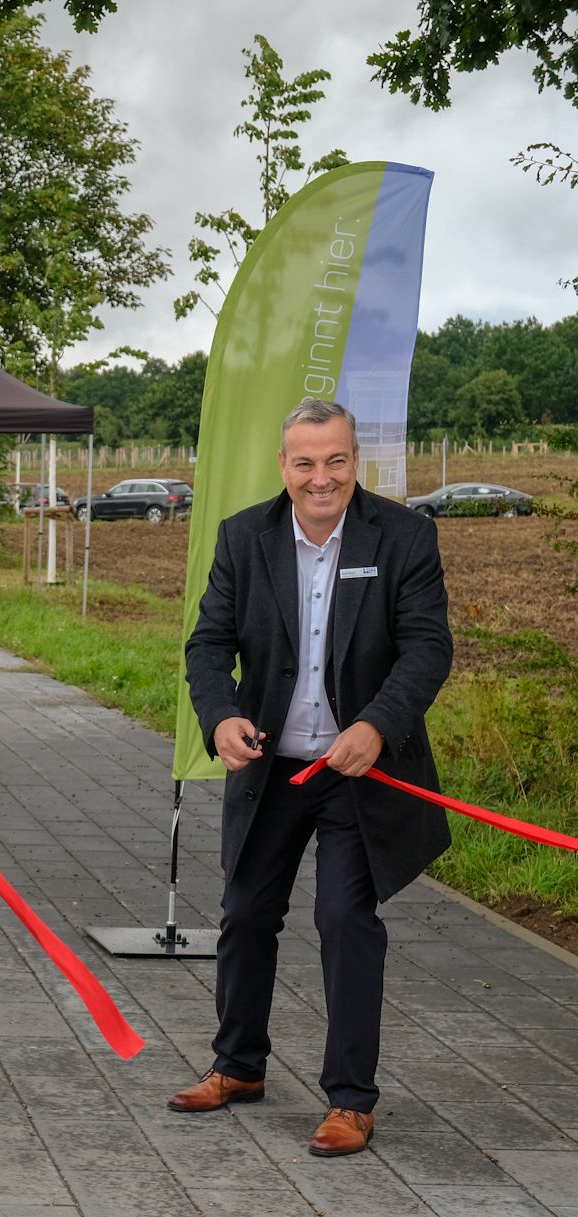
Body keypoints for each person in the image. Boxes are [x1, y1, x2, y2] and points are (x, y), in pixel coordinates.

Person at [172, 398, 452, 1157]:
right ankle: (238, 1068)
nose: (320, 477)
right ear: (283, 466)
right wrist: (222, 716)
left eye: (335, 460)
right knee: (246, 913)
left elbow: (428, 650)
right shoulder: (244, 538)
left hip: (361, 774)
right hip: (274, 769)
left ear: (355, 461)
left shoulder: (403, 537)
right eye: (305, 462)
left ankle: (351, 1101)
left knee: (343, 922)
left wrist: (376, 724)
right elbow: (207, 646)